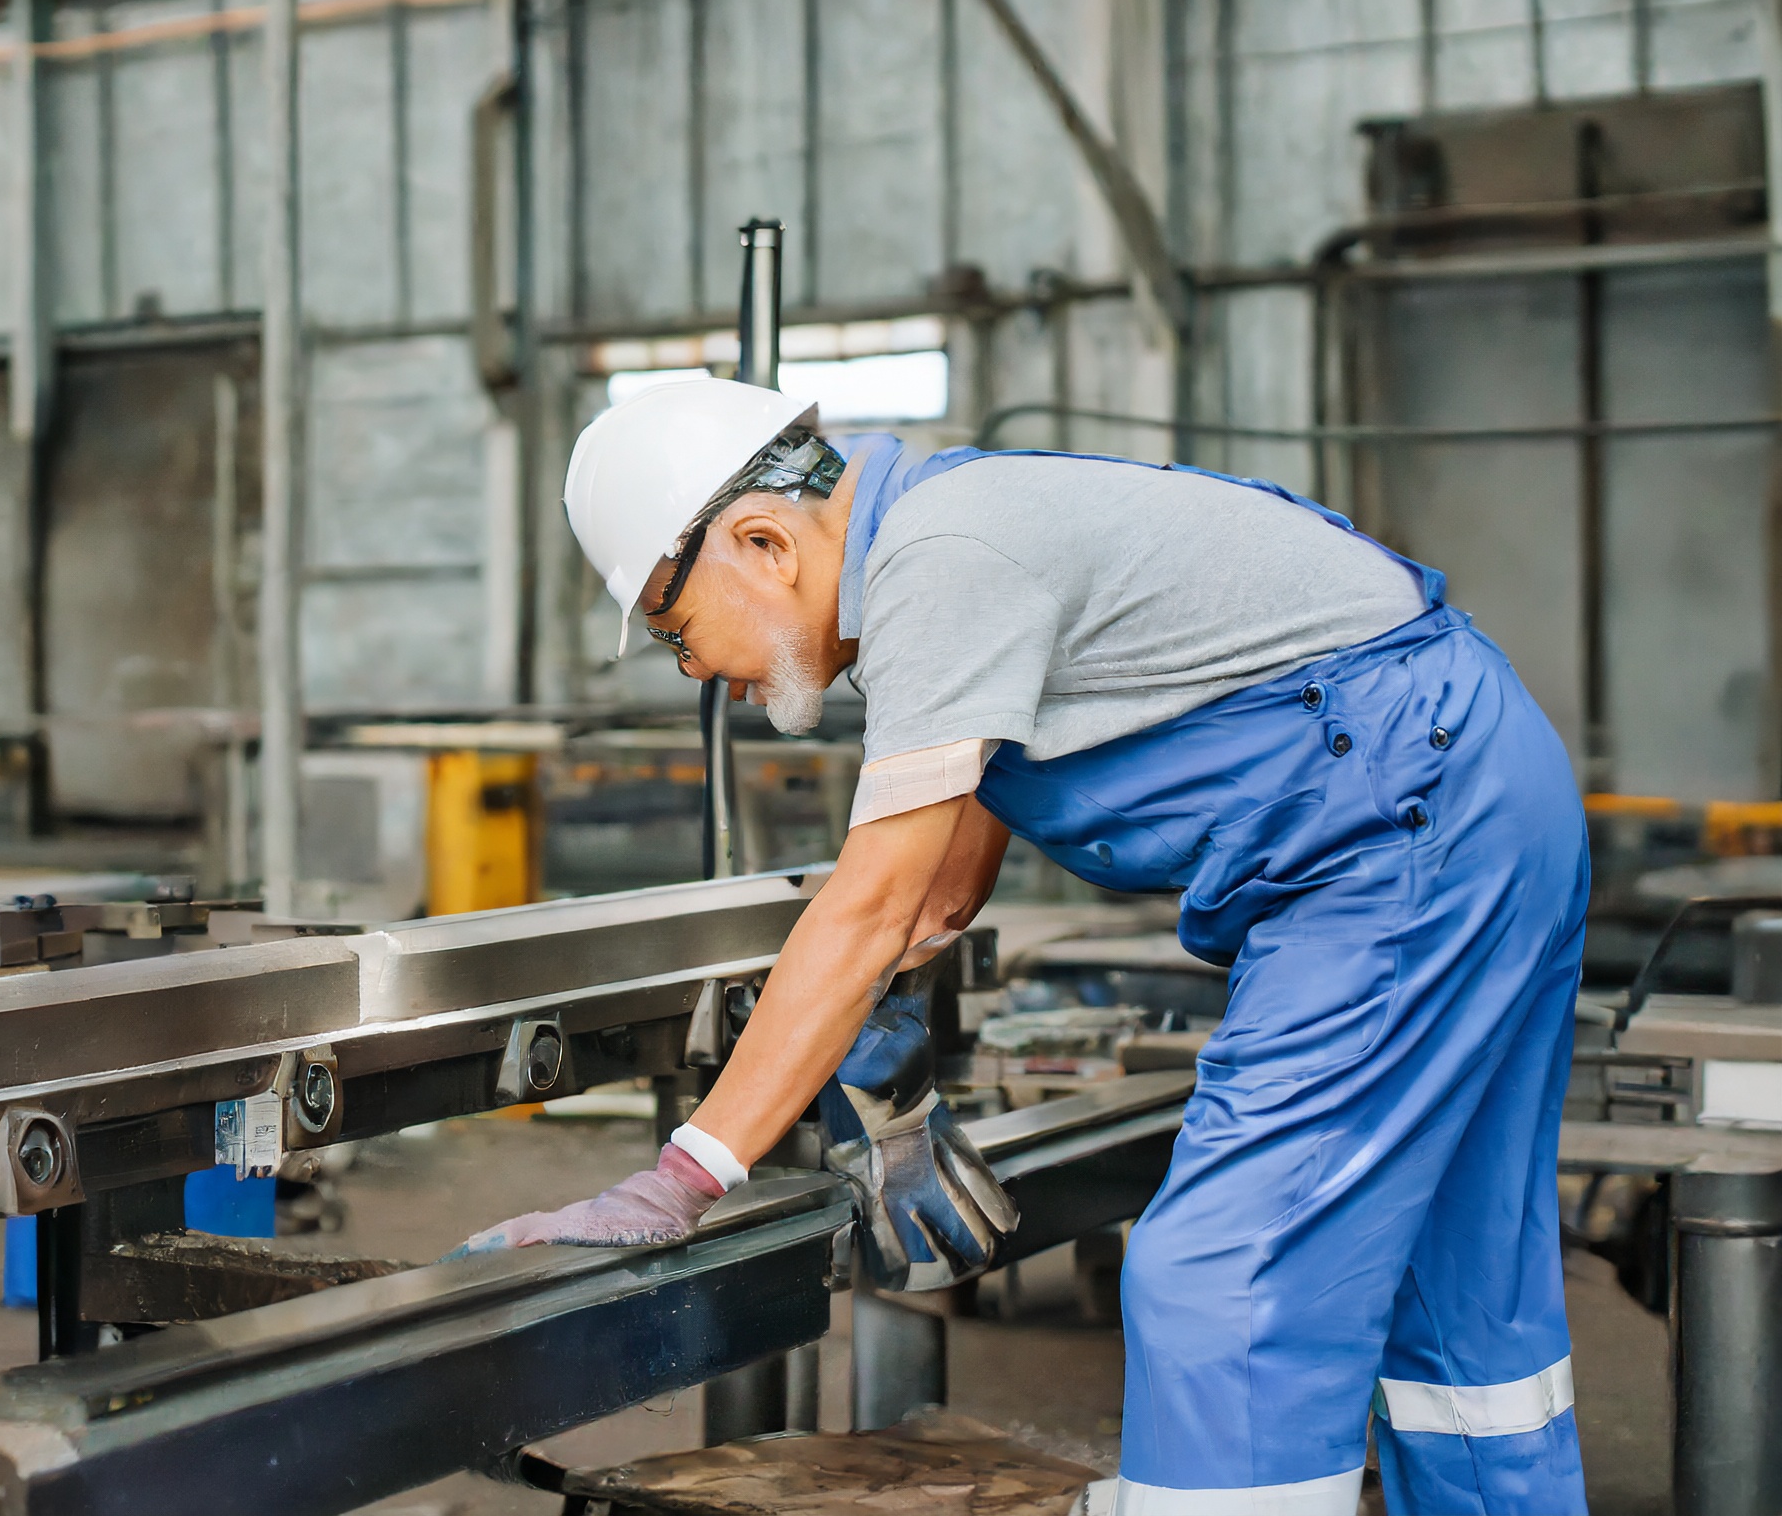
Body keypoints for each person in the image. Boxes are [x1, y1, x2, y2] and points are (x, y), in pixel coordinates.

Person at [456, 378, 1590, 1514]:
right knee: (1458, 1288)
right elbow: (942, 890)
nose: (695, 669)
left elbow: (876, 908)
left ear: (762, 542)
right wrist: (880, 1060)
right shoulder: (959, 528)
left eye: (676, 627)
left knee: (1225, 1281)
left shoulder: (940, 563)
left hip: (1402, 845)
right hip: (1479, 799)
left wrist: (677, 1183)